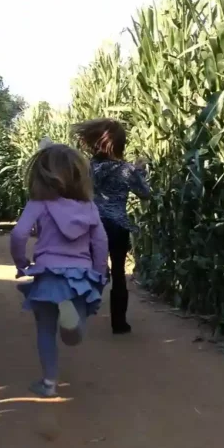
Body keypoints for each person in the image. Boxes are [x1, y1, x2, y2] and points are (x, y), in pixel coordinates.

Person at [10, 144, 108, 398]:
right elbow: (100, 242)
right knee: (75, 327)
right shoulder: (89, 208)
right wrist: (99, 275)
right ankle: (73, 328)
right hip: (81, 276)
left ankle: (49, 383)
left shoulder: (39, 204)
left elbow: (19, 233)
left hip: (48, 274)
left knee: (45, 329)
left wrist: (21, 262)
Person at [72, 119, 150, 335]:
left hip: (93, 225)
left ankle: (79, 314)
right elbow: (145, 193)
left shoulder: (88, 167)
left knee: (89, 270)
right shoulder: (126, 170)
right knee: (118, 273)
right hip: (117, 225)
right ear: (120, 145)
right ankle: (119, 324)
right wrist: (140, 172)